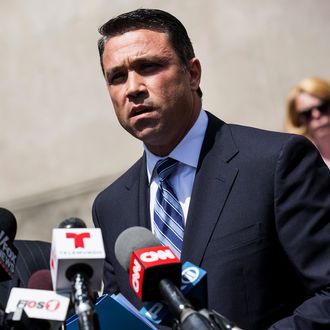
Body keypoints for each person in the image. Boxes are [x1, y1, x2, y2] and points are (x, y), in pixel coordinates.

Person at [92, 8, 330, 330]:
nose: (132, 88)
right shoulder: (110, 207)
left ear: (192, 74)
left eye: (148, 67)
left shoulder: (275, 163)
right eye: (117, 77)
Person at [285, 76, 330, 168]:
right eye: (307, 113)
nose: (316, 115)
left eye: (322, 107)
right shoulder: (301, 164)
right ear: (299, 120)